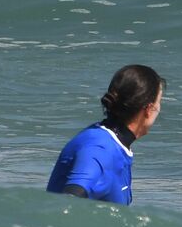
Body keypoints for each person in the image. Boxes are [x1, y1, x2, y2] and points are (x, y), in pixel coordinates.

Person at [47, 65, 165, 204]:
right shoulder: (99, 150)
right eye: (159, 102)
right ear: (148, 109)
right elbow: (68, 200)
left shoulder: (114, 144)